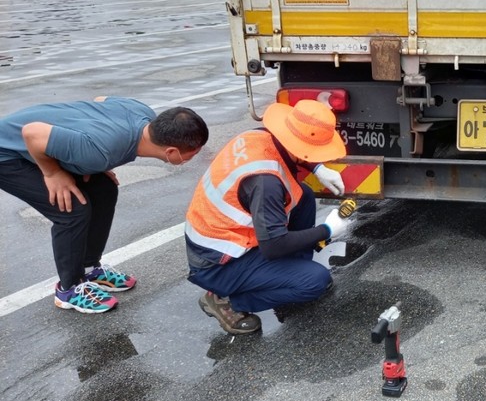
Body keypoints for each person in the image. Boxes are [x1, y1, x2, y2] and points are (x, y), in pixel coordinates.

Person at [0, 97, 209, 314]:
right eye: (193, 153)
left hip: (43, 143)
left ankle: (90, 267)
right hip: (8, 154)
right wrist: (53, 173)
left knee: (104, 188)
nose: (195, 156)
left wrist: (84, 157)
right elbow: (32, 133)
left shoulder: (143, 114)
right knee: (72, 209)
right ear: (172, 152)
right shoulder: (99, 152)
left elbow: (100, 100)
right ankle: (69, 289)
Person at [184, 99, 351, 335]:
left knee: (302, 195)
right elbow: (274, 245)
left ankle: (291, 270)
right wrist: (327, 230)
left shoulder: (258, 136)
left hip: (222, 240)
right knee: (315, 281)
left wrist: (317, 168)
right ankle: (226, 301)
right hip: (218, 262)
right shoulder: (265, 183)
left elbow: (289, 151)